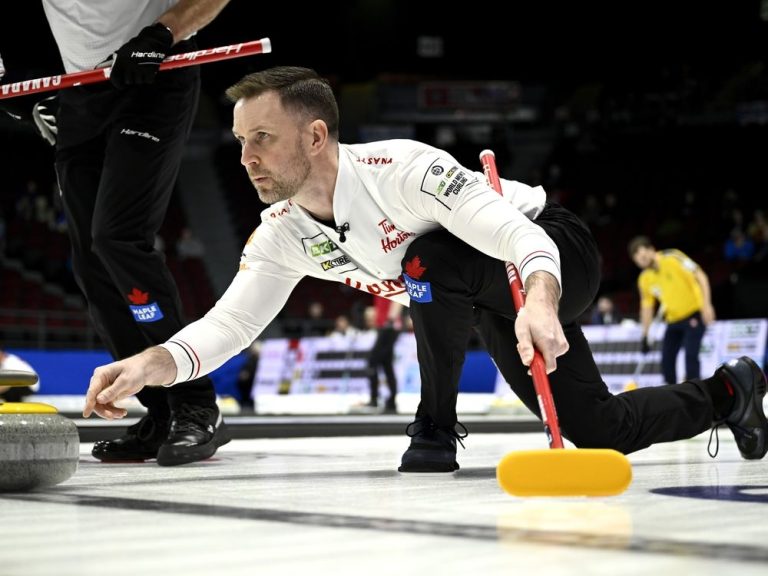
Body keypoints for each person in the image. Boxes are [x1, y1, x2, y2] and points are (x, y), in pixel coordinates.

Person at [83, 67, 767, 474]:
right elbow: (229, 324)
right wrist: (153, 365)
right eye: (239, 142)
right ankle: (728, 393)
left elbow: (514, 233)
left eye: (261, 138)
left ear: (315, 136)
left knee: (426, 259)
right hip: (490, 296)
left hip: (551, 256)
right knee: (598, 432)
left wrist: (538, 297)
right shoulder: (281, 233)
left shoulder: (405, 171)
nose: (245, 158)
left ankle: (436, 426)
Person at [38, 0, 233, 466]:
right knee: (89, 258)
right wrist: (27, 78)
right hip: (80, 93)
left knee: (117, 237)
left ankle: (196, 403)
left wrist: (162, 33)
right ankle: (161, 409)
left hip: (152, 75)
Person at [628, 236, 716, 384]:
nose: (642, 260)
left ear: (651, 249)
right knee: (667, 361)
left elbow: (700, 276)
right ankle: (673, 395)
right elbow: (647, 308)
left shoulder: (672, 257)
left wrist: (707, 305)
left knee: (690, 357)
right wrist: (645, 335)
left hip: (694, 314)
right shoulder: (644, 279)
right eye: (638, 259)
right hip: (673, 320)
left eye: (643, 255)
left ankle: (696, 395)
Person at [365, 297, 404, 413]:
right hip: (385, 325)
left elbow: (398, 297)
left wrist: (390, 320)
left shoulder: (388, 279)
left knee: (372, 361)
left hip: (389, 326)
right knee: (386, 364)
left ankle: (374, 398)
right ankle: (391, 401)